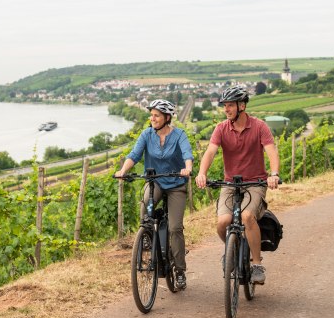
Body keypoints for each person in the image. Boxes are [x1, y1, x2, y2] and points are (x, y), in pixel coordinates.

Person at [195, 85, 280, 285]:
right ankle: (232, 249)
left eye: (230, 105)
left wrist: (273, 174)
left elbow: (271, 150)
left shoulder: (259, 127)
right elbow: (210, 152)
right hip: (230, 183)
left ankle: (257, 264)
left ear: (242, 106)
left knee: (247, 216)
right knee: (222, 223)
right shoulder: (221, 128)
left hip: (255, 183)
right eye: (225, 105)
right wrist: (202, 173)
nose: (226, 109)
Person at [115, 99, 194, 290]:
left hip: (176, 183)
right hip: (156, 181)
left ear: (167, 118)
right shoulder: (146, 134)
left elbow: (187, 155)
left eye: (156, 115)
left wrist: (187, 169)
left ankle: (180, 270)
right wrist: (123, 171)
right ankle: (148, 239)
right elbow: (134, 155)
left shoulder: (179, 135)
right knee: (144, 209)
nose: (152, 118)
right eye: (151, 115)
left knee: (175, 228)